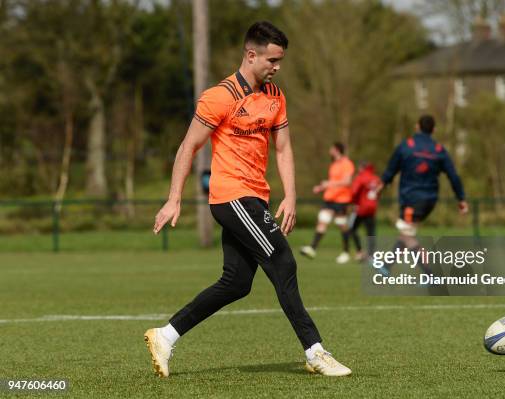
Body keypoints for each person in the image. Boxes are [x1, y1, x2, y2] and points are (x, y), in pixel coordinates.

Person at [144, 21, 351, 378]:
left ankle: (165, 335)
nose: (277, 66)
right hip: (231, 196)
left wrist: (291, 195)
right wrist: (173, 198)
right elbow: (188, 147)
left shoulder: (275, 96)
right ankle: (316, 351)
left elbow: (283, 149)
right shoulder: (218, 97)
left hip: (256, 198)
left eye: (280, 60)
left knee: (237, 282)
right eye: (272, 59)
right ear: (251, 54)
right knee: (283, 262)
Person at [379, 115, 468, 272]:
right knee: (407, 232)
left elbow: (390, 172)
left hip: (411, 198)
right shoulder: (440, 150)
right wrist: (461, 198)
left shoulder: (406, 146)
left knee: (407, 235)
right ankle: (386, 267)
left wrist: (379, 188)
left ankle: (430, 274)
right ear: (434, 130)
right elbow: (453, 176)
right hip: (430, 200)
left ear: (417, 127)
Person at [300, 143, 354, 264]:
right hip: (330, 199)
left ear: (337, 150)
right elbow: (332, 181)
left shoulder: (347, 163)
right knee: (323, 220)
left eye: (331, 148)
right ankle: (312, 248)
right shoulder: (334, 164)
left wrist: (328, 184)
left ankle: (346, 252)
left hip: (342, 200)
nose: (330, 150)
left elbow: (347, 181)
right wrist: (321, 187)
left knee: (342, 224)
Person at [349, 161, 381, 262]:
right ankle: (371, 255)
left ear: (362, 168)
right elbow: (380, 191)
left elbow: (354, 191)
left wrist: (353, 203)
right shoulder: (376, 178)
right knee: (371, 232)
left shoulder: (361, 177)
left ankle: (359, 252)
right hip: (372, 207)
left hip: (362, 208)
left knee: (353, 229)